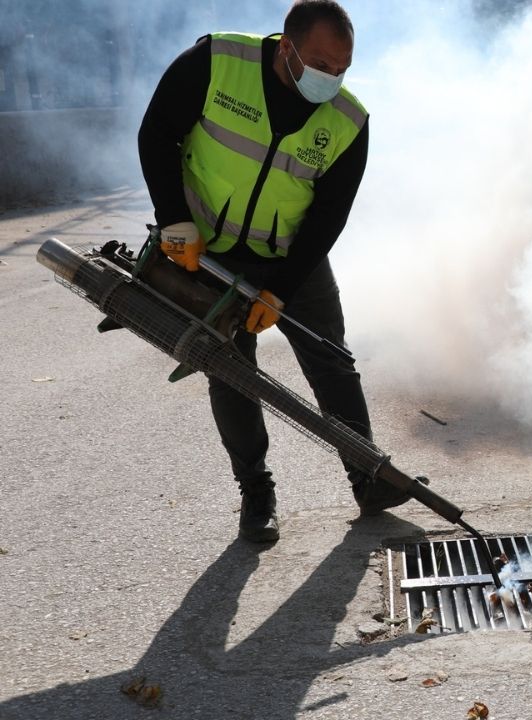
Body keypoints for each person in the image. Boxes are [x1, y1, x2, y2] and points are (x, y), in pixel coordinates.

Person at [137, 0, 408, 542]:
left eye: (342, 70)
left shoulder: (349, 122)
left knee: (331, 361)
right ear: (287, 47)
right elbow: (156, 133)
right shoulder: (215, 62)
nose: (330, 79)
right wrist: (174, 221)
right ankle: (256, 492)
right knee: (230, 370)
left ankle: (367, 477)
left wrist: (279, 289)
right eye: (321, 64)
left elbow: (330, 216)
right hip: (208, 250)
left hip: (292, 257)